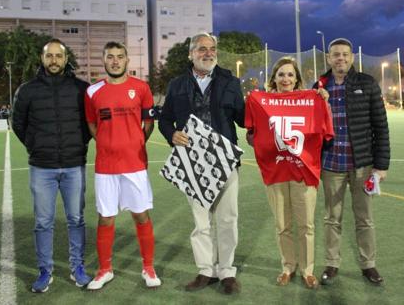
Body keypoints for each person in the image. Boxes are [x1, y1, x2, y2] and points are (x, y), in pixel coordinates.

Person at [158, 32, 245, 295]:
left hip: (225, 161)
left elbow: (243, 118)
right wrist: (171, 134)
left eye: (212, 48)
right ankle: (206, 270)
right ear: (191, 54)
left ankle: (227, 271)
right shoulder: (176, 84)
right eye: (201, 49)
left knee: (228, 219)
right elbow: (164, 119)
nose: (208, 53)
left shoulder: (230, 81)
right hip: (193, 163)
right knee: (201, 222)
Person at [245, 57, 333, 289]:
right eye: (281, 74)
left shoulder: (312, 99)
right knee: (282, 224)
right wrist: (263, 141)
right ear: (274, 78)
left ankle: (307, 270)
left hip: (304, 170)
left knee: (306, 225)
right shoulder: (261, 101)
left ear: (297, 79)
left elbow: (325, 129)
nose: (286, 79)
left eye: (290, 75)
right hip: (276, 170)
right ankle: (287, 266)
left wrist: (324, 101)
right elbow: (251, 134)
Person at [12, 39, 92, 293]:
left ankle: (77, 267)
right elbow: (18, 124)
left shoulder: (82, 89)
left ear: (66, 59)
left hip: (73, 165)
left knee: (76, 219)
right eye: (50, 56)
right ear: (43, 59)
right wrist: (35, 146)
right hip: (42, 167)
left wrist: (78, 144)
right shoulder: (27, 90)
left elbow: (89, 125)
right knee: (43, 222)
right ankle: (45, 270)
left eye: (59, 56)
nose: (54, 60)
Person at [313, 38, 390, 285]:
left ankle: (369, 265)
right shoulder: (318, 86)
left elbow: (381, 127)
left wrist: (381, 166)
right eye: (336, 55)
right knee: (331, 219)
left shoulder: (366, 84)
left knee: (364, 218)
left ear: (352, 57)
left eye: (345, 54)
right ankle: (332, 264)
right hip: (331, 165)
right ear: (328, 58)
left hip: (362, 165)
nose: (341, 59)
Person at [84, 42, 161, 290]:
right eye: (110, 57)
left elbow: (148, 123)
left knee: (141, 215)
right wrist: (107, 143)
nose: (115, 61)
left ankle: (148, 268)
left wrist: (135, 142)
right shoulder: (92, 91)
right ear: (104, 61)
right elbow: (91, 124)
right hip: (106, 166)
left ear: (127, 60)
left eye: (120, 57)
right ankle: (105, 269)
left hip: (135, 164)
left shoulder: (141, 88)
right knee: (106, 218)